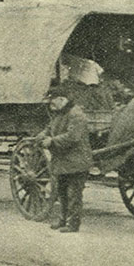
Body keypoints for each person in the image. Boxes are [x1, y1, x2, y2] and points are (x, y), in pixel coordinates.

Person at [39, 85, 93, 233]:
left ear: (62, 99)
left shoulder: (76, 114)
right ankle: (62, 220)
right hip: (62, 162)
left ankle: (73, 224)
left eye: (53, 102)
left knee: (74, 195)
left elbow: (73, 137)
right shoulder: (59, 113)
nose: (51, 105)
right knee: (61, 192)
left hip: (76, 162)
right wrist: (42, 135)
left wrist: (52, 141)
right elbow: (49, 128)